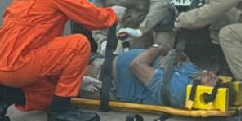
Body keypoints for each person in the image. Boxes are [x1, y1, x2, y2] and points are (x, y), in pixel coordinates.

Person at [0, 0, 124, 121]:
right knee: (79, 44)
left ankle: (3, 96)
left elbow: (42, 46)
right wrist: (113, 14)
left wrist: (78, 81)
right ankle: (61, 111)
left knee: (54, 91)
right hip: (18, 63)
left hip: (2, 64)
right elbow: (93, 19)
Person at [85, 46, 220, 108]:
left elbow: (136, 65)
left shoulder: (179, 91)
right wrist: (175, 53)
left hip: (100, 77)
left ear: (205, 94)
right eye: (215, 76)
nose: (212, 74)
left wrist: (157, 48)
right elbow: (182, 56)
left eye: (211, 79)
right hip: (104, 62)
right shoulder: (195, 75)